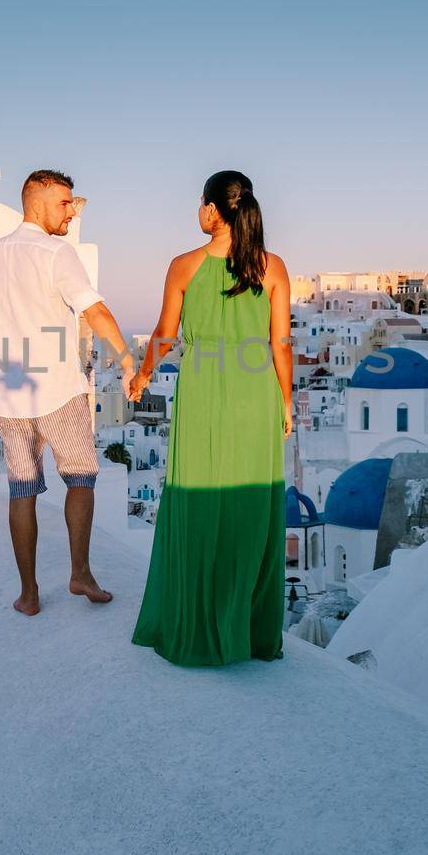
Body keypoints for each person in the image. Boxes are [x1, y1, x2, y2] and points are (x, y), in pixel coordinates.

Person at [129, 170, 293, 665]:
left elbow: (164, 334)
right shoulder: (274, 267)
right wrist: (286, 401)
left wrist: (141, 377)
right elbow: (280, 344)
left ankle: (196, 629)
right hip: (256, 391)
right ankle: (249, 631)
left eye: (199, 203)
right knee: (251, 508)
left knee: (196, 504)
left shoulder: (183, 266)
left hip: (202, 389)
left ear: (211, 210)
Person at [0, 169, 135, 617]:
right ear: (37, 202)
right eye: (65, 203)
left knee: (21, 490)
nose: (71, 211)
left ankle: (29, 593)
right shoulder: (54, 252)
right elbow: (94, 309)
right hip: (59, 390)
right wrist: (125, 358)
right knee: (80, 476)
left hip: (10, 393)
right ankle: (80, 573)